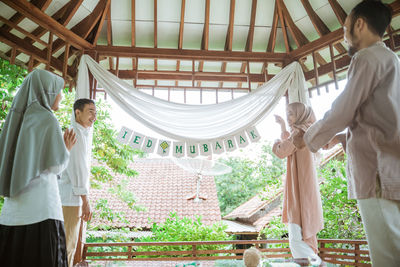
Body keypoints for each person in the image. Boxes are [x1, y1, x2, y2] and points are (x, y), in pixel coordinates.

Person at [304, 1, 400, 266]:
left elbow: (343, 110)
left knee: (388, 256)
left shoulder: (367, 58)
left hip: (376, 171)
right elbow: (384, 120)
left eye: (345, 27)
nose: (344, 34)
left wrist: (309, 138)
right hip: (392, 168)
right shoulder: (392, 60)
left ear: (360, 24)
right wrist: (342, 137)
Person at [0, 69, 76, 266]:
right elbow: (56, 165)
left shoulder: (16, 117)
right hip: (42, 211)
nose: (61, 96)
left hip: (12, 214)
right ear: (47, 91)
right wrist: (66, 149)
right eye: (59, 90)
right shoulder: (46, 118)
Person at [273, 102, 323, 265]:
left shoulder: (300, 133)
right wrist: (282, 126)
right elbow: (290, 144)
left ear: (300, 115)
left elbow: (282, 150)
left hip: (301, 187)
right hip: (304, 186)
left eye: (291, 114)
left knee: (296, 236)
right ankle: (314, 262)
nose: (288, 117)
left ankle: (316, 263)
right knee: (298, 230)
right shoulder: (305, 131)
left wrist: (275, 142)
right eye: (287, 113)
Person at [58, 98, 96, 267]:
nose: (94, 116)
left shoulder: (82, 132)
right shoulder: (75, 133)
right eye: (90, 111)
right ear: (77, 112)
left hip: (70, 198)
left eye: (95, 112)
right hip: (69, 198)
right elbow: (78, 170)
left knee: (69, 244)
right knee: (67, 245)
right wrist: (86, 201)